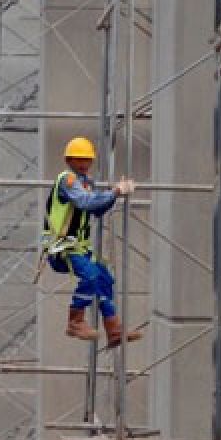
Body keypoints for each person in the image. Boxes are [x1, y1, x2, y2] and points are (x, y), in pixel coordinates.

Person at [42, 137, 139, 346]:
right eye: (79, 160)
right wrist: (115, 191)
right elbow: (86, 202)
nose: (84, 164)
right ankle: (75, 321)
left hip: (78, 247)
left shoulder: (86, 183)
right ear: (69, 160)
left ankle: (113, 328)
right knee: (91, 275)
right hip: (63, 247)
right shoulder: (67, 181)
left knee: (104, 277)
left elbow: (97, 208)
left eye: (87, 160)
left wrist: (113, 196)